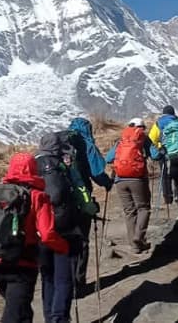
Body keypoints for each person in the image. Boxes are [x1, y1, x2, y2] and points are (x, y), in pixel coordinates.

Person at [0, 152, 69, 323]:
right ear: (34, 169)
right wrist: (64, 247)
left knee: (21, 311)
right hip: (21, 265)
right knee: (14, 315)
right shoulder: (38, 196)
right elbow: (47, 235)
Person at [36, 132, 87, 323]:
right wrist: (88, 208)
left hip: (40, 231)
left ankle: (50, 317)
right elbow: (78, 191)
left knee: (47, 277)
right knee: (64, 278)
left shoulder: (33, 166)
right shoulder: (63, 166)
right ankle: (59, 318)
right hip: (64, 229)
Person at [66, 117, 112, 293]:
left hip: (59, 202)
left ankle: (63, 282)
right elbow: (97, 172)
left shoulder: (60, 146)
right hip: (82, 200)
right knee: (81, 241)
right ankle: (78, 283)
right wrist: (107, 183)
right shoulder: (85, 144)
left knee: (63, 241)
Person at [105, 118, 158, 253]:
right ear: (142, 127)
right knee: (143, 208)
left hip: (120, 180)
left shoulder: (122, 139)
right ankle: (138, 237)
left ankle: (134, 245)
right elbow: (155, 155)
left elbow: (109, 158)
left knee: (129, 211)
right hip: (138, 179)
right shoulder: (143, 138)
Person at [147, 105, 178, 205]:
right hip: (177, 151)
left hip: (164, 152)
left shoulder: (158, 123)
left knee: (165, 175)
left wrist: (158, 148)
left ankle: (167, 197)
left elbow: (151, 139)